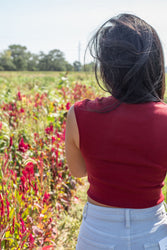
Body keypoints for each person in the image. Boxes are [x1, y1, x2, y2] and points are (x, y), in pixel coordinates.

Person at [65, 13, 167, 250]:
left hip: (97, 233)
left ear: (107, 66)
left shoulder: (79, 114)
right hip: (152, 230)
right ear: (153, 64)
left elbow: (78, 171)